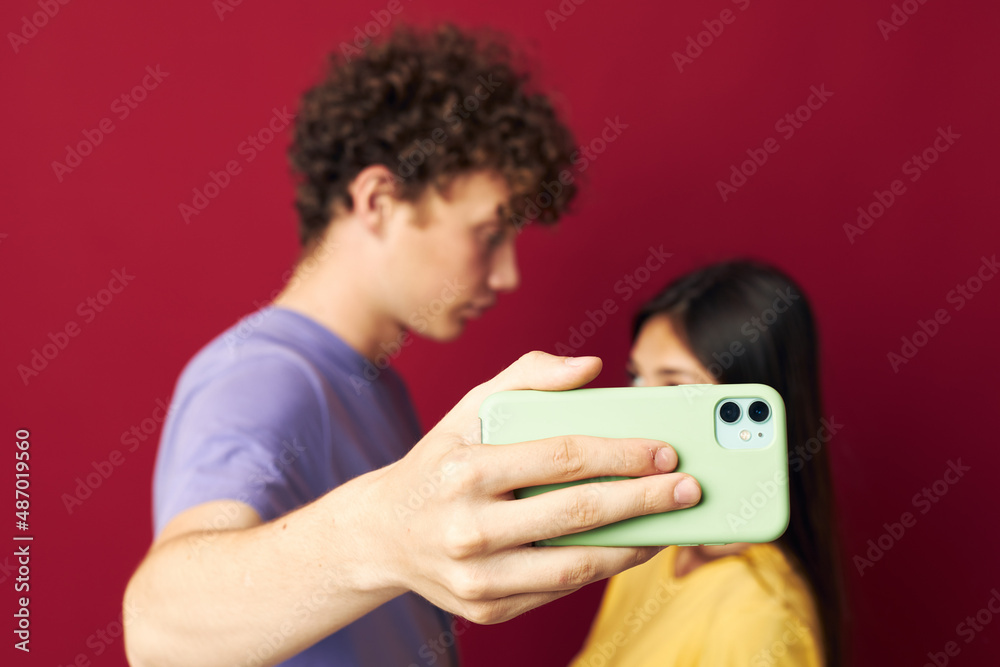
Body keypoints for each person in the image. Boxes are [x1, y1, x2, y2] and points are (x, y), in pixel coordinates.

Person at [122, 23, 703, 667]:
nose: (507, 275)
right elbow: (158, 630)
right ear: (378, 200)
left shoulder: (374, 387)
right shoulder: (262, 377)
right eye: (489, 232)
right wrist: (383, 532)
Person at [570, 260, 848, 667]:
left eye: (675, 388)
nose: (640, 413)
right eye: (637, 379)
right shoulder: (655, 546)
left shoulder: (758, 618)